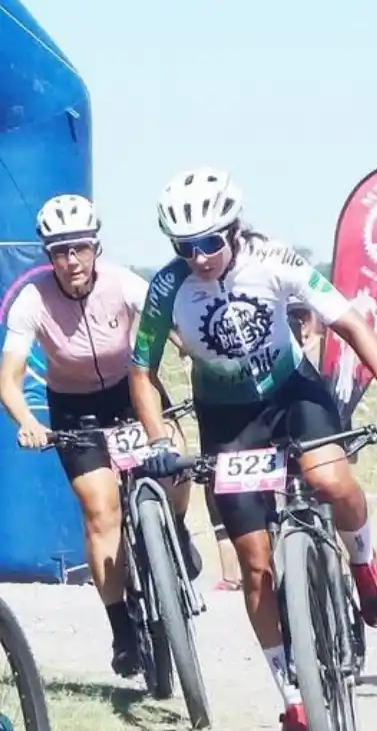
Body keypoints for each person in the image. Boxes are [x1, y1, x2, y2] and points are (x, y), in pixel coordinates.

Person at [129, 167, 377, 731]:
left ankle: (362, 561)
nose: (200, 256)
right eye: (185, 246)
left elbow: (351, 323)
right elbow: (141, 371)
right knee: (256, 567)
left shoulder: (274, 259)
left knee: (332, 481)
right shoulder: (169, 287)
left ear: (234, 229)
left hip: (293, 392)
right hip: (228, 418)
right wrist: (161, 438)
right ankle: (291, 690)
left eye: (211, 242)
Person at [0, 194, 199, 678]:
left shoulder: (123, 281)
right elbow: (9, 374)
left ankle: (175, 527)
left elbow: (169, 324)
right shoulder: (33, 300)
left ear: (96, 247)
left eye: (81, 248)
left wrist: (188, 349)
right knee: (100, 508)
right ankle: (122, 630)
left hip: (131, 392)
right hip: (75, 410)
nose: (72, 261)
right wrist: (26, 419)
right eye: (61, 251)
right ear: (49, 257)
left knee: (176, 457)